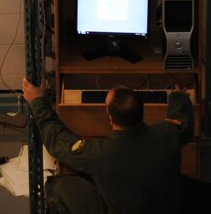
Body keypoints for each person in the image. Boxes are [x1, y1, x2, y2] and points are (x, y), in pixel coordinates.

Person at [22, 77, 194, 214]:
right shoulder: (167, 133)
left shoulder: (101, 154)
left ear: (110, 119)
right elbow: (182, 122)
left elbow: (58, 141)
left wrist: (38, 101)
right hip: (165, 208)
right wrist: (179, 97)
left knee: (60, 186)